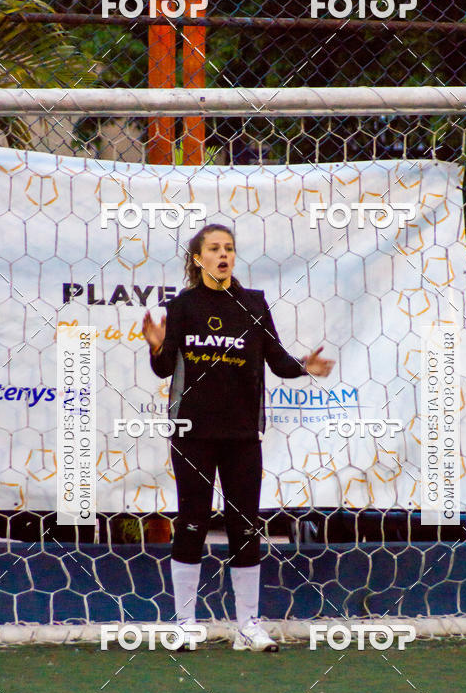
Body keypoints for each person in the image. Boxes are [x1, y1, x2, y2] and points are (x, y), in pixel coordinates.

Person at [142, 224, 334, 651]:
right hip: (192, 433)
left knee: (245, 525)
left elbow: (277, 360)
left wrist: (305, 366)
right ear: (198, 259)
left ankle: (248, 626)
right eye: (214, 249)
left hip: (243, 434)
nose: (223, 255)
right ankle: (185, 624)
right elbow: (164, 368)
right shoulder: (183, 307)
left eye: (228, 248)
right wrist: (156, 346)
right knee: (192, 522)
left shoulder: (253, 304)